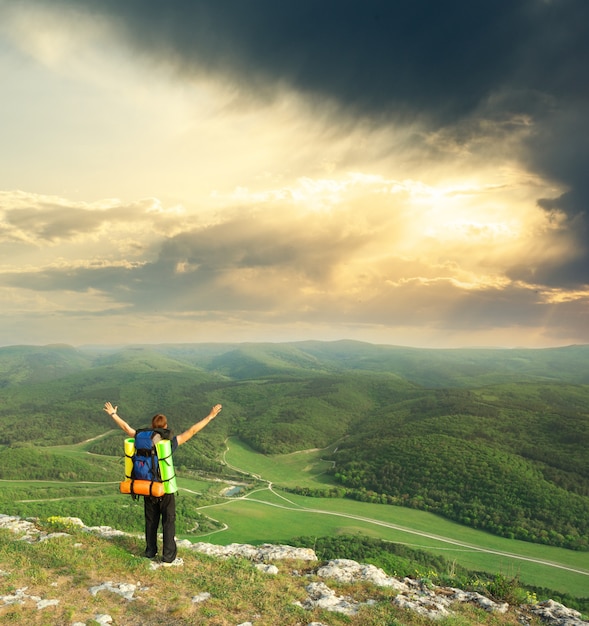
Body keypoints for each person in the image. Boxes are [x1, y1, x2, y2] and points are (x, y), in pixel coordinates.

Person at [104, 400, 222, 564]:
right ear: (165, 426)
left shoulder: (141, 440)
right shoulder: (168, 443)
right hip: (165, 488)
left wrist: (113, 414)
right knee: (168, 521)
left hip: (147, 487)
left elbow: (126, 428)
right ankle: (168, 556)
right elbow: (192, 431)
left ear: (152, 427)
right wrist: (210, 416)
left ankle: (150, 552)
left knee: (151, 521)